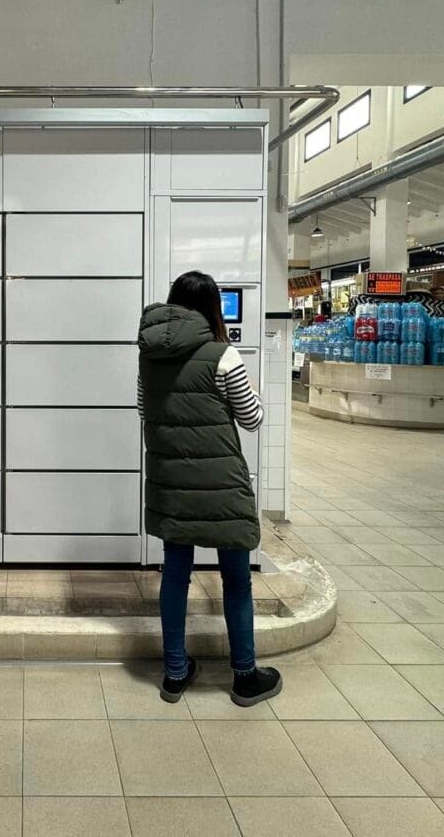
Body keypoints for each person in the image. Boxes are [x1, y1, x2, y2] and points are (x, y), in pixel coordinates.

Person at [137, 270, 283, 706]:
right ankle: (244, 678)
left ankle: (176, 674)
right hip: (221, 487)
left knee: (175, 575)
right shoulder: (224, 356)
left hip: (173, 482)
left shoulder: (149, 356)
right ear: (213, 309)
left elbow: (146, 411)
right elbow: (253, 419)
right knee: (236, 580)